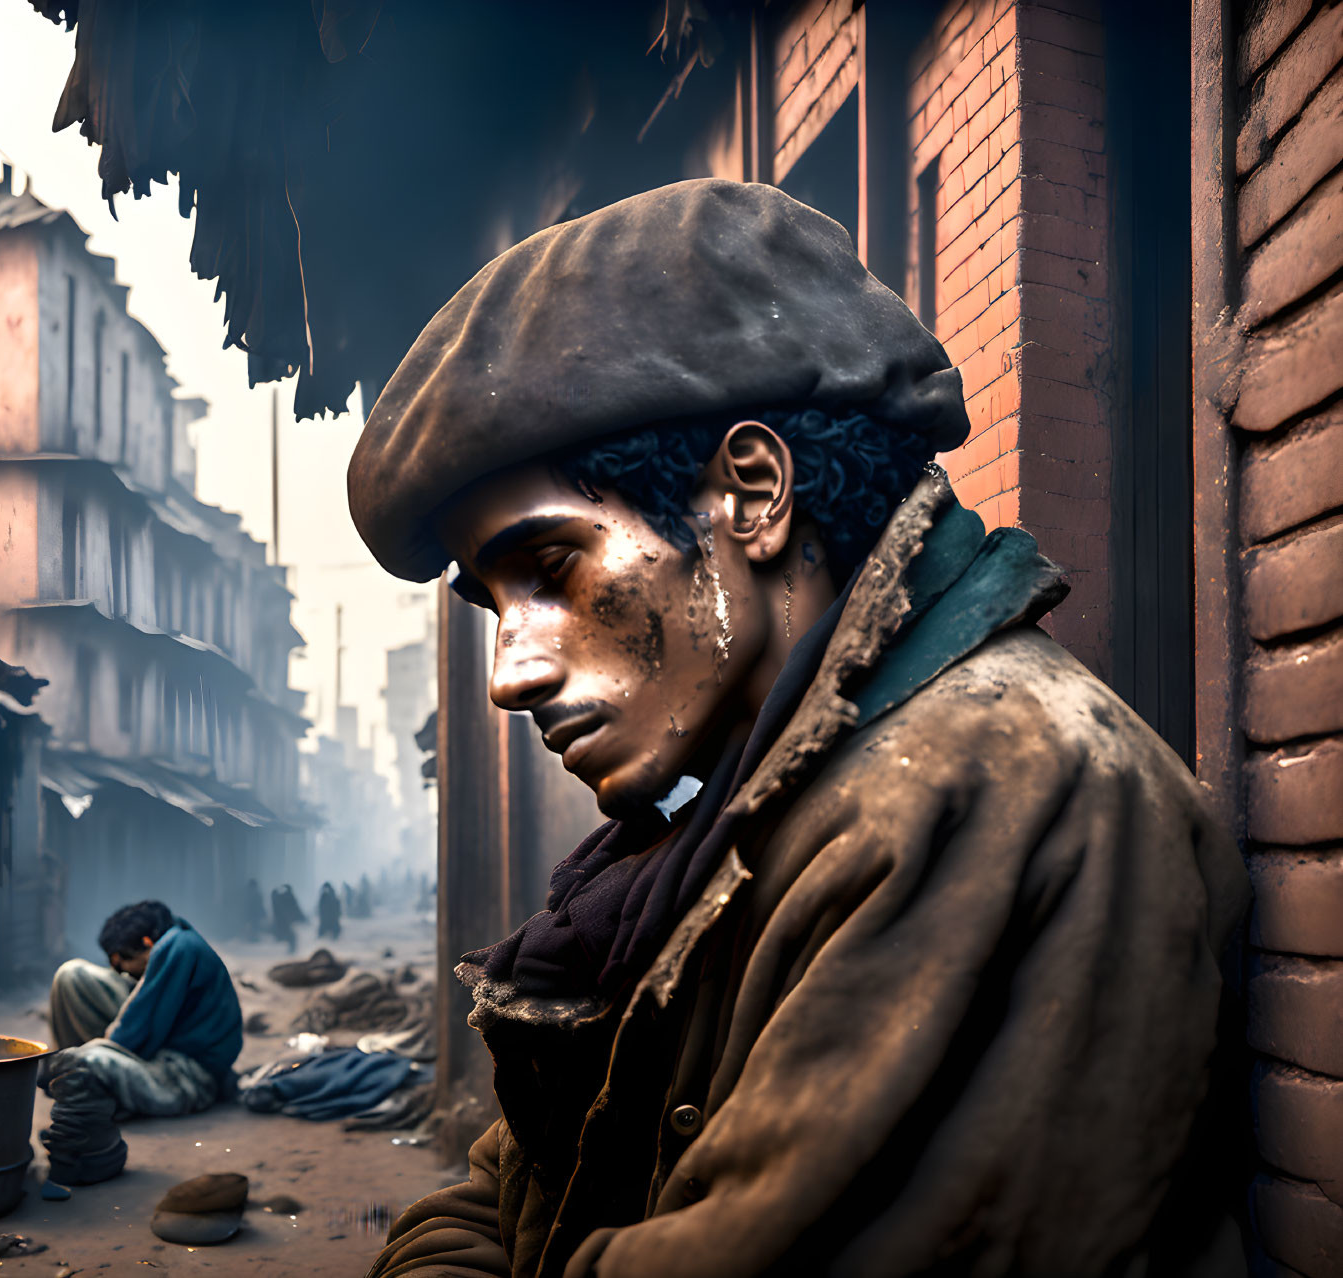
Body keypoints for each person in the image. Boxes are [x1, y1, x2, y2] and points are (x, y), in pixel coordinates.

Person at [349, 181, 1249, 1276]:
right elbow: (513, 1185)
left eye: (550, 569)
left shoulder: (995, 793)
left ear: (754, 494)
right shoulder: (743, 810)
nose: (510, 674)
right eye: (494, 606)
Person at [42, 901, 243, 1184]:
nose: (124, 973)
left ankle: (90, 1091)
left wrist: (82, 1058)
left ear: (147, 942)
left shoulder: (177, 948)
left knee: (81, 1064)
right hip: (161, 1047)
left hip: (188, 1075)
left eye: (123, 962)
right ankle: (85, 1083)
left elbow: (132, 1032)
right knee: (71, 975)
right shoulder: (176, 940)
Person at [269, 883, 306, 954]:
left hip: (285, 921)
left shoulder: (281, 898)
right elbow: (296, 909)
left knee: (290, 936)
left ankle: (291, 950)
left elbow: (295, 909)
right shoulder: (287, 898)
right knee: (290, 936)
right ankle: (291, 950)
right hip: (285, 921)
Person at [244, 877, 266, 943]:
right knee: (253, 925)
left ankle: (253, 938)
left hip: (255, 913)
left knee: (254, 925)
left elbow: (260, 904)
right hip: (252, 913)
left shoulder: (256, 894)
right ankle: (252, 938)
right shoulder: (252, 894)